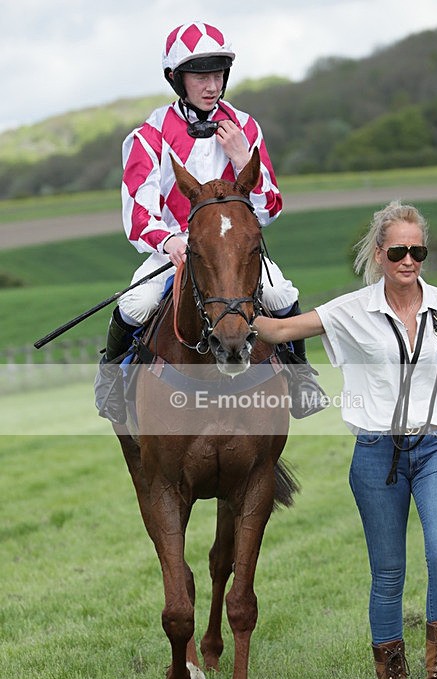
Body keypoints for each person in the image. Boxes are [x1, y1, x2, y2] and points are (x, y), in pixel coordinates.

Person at [253, 200, 437, 679]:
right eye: (398, 251)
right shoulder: (350, 311)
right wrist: (234, 307)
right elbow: (279, 330)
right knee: (388, 571)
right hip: (376, 452)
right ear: (380, 254)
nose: (409, 260)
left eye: (417, 251)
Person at [94, 21, 324, 424]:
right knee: (138, 301)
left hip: (233, 249)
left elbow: (270, 207)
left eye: (217, 74)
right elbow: (137, 214)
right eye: (200, 75)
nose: (211, 85)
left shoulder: (247, 127)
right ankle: (111, 380)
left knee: (281, 293)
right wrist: (169, 242)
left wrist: (240, 157)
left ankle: (303, 379)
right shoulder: (149, 135)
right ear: (176, 79)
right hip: (175, 247)